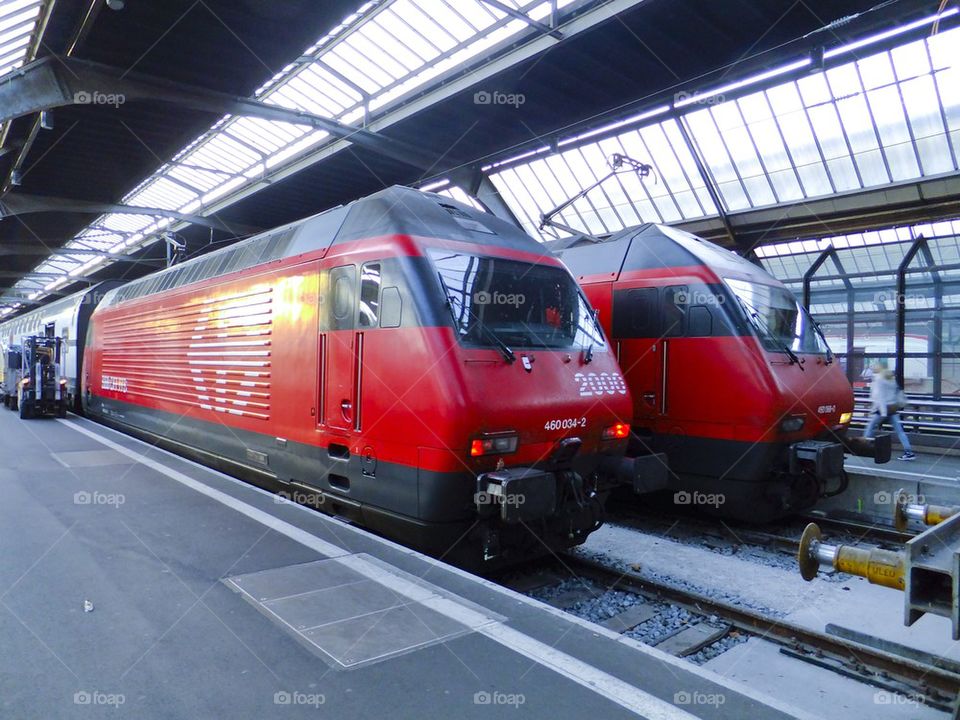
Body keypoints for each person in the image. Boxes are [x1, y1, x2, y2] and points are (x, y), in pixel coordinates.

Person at [864, 364, 915, 461]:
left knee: (870, 427)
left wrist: (883, 413)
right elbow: (895, 394)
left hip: (883, 409)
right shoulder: (892, 380)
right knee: (900, 431)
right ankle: (909, 452)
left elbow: (881, 397)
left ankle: (864, 447)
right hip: (893, 408)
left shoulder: (879, 380)